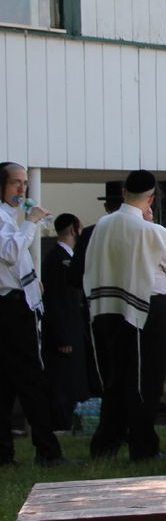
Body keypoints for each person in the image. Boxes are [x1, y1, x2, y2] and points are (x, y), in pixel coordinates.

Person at [83, 169, 166, 462]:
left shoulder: (103, 224)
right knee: (145, 381)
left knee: (115, 379)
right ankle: (143, 447)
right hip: (146, 307)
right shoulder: (151, 231)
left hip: (108, 308)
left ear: (125, 192)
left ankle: (106, 444)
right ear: (151, 198)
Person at [0, 161, 67, 466]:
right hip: (9, 308)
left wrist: (32, 282)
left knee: (10, 382)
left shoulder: (9, 216)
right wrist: (31, 222)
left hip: (19, 301)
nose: (22, 189)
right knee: (30, 380)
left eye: (24, 183)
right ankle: (47, 450)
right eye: (16, 183)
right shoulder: (7, 218)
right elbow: (11, 254)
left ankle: (7, 453)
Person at [41, 212, 90, 432]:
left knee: (74, 379)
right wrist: (63, 336)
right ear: (73, 229)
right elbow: (55, 301)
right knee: (62, 380)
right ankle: (60, 423)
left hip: (74, 328)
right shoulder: (56, 259)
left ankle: (71, 421)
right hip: (64, 333)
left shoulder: (71, 257)